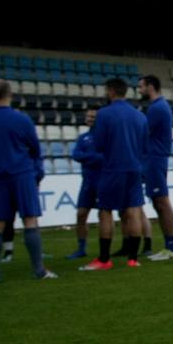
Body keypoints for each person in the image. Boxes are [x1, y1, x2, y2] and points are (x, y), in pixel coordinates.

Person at [0, 80, 57, 281]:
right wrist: (37, 173)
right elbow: (34, 148)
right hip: (21, 174)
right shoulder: (21, 119)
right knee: (30, 220)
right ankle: (38, 270)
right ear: (10, 94)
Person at [80, 78, 148, 271]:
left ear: (111, 90)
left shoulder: (104, 114)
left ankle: (104, 259)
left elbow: (99, 144)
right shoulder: (140, 116)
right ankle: (133, 259)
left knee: (106, 211)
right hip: (134, 168)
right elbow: (144, 146)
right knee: (134, 210)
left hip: (112, 168)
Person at [138, 75, 173, 261]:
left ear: (151, 87)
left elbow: (142, 133)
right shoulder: (157, 107)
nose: (139, 90)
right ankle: (169, 247)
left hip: (155, 159)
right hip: (153, 158)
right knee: (158, 202)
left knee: (162, 202)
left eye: (141, 86)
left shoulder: (157, 108)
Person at [67, 107, 103, 259]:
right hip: (87, 181)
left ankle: (104, 248)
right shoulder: (83, 138)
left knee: (104, 215)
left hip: (102, 180)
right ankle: (81, 248)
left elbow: (104, 157)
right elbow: (75, 155)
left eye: (93, 116)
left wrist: (87, 157)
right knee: (81, 214)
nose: (89, 119)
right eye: (88, 116)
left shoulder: (104, 137)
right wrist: (92, 157)